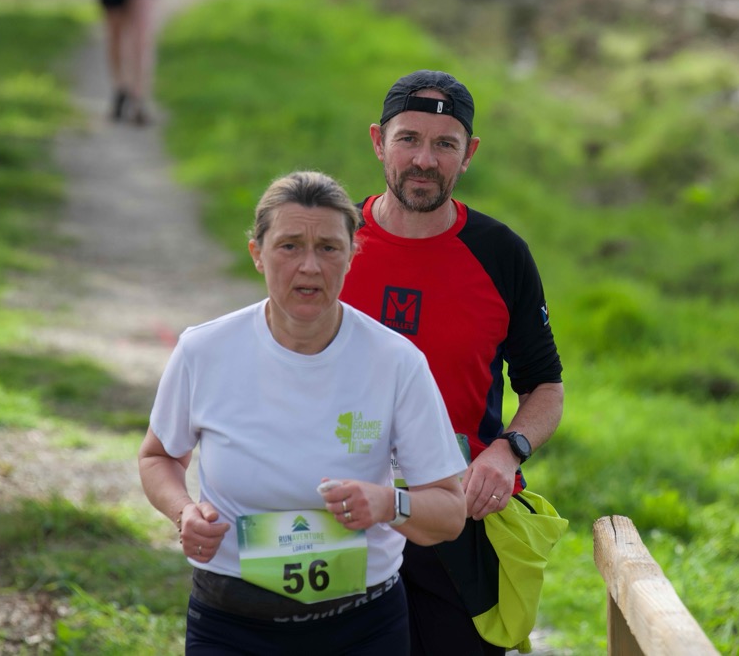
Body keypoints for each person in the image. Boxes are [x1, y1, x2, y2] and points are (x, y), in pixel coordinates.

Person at [138, 170, 468, 655]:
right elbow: (158, 456)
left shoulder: (396, 361)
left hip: (362, 628)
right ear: (257, 253)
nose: (309, 266)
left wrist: (387, 504)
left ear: (353, 255)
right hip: (232, 623)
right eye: (289, 246)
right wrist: (183, 511)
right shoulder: (204, 350)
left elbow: (450, 512)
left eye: (328, 248)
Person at [338, 71, 566, 656]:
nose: (424, 160)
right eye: (408, 139)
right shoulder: (332, 243)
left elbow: (544, 386)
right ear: (378, 141)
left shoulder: (500, 253)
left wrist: (507, 450)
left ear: (469, 154)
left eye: (445, 144)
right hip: (341, 513)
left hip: (459, 519)